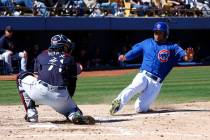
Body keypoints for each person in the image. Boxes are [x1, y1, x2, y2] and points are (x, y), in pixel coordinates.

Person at [109, 22, 194, 115]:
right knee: (135, 86)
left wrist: (189, 57)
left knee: (140, 109)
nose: (157, 35)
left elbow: (185, 58)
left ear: (165, 34)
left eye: (160, 33)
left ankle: (143, 107)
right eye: (155, 32)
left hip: (156, 83)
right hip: (143, 75)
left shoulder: (173, 47)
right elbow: (134, 52)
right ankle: (117, 103)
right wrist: (125, 57)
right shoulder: (147, 42)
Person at [16, 34, 95, 125]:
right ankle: (73, 115)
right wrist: (67, 101)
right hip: (60, 96)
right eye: (66, 46)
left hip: (39, 91)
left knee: (20, 76)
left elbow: (36, 77)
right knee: (74, 111)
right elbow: (72, 85)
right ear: (63, 46)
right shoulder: (70, 59)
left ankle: (31, 113)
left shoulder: (41, 55)